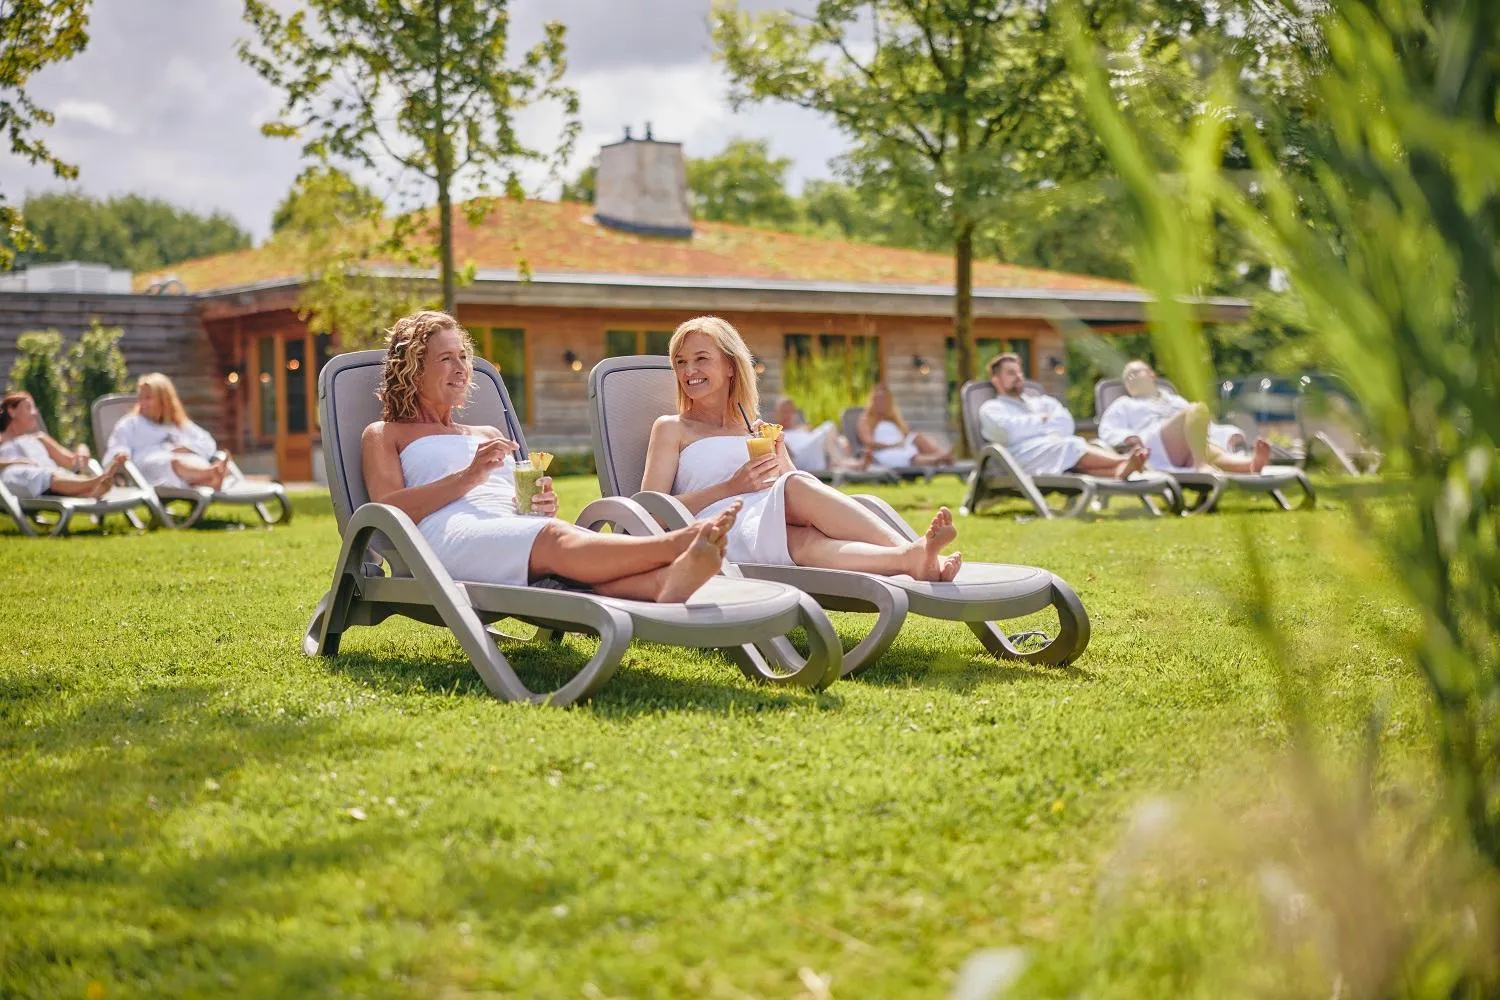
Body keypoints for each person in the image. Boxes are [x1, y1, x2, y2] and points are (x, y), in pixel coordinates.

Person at [362, 310, 735, 602]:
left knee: (557, 539)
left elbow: (519, 508)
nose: (462, 369)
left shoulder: (488, 436)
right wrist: (469, 476)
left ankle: (662, 584)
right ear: (412, 368)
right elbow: (387, 510)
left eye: (463, 356)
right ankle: (675, 544)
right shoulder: (386, 434)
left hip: (511, 530)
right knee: (555, 538)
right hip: (449, 537)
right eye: (446, 358)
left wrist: (539, 504)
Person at [641, 315, 961, 581]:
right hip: (719, 530)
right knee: (795, 487)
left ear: (730, 367)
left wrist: (781, 458)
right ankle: (915, 550)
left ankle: (909, 558)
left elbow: (791, 486)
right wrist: (731, 486)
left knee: (806, 541)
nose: (688, 371)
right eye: (680, 362)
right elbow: (651, 514)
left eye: (700, 359)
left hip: (764, 519)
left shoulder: (753, 427)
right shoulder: (671, 428)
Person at [978, 353, 1147, 479]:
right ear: (995, 379)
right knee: (1070, 445)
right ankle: (1124, 461)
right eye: (1010, 373)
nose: (1018, 377)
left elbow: (1067, 424)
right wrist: (1041, 420)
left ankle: (1122, 470)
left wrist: (1031, 427)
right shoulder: (992, 408)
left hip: (1051, 449)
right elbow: (1007, 433)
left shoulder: (1041, 402)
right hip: (1020, 459)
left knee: (1069, 453)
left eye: (1019, 372)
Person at [1097, 360, 1271, 474]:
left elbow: (1201, 424)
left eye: (1136, 372)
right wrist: (1128, 438)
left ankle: (1251, 465)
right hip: (1154, 445)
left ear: (1151, 374)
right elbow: (1107, 431)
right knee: (1197, 409)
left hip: (1187, 446)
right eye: (1127, 377)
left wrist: (1227, 434)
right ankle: (1201, 465)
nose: (1131, 378)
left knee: (1211, 449)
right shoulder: (1124, 404)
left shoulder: (1174, 400)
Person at [104, 373, 232, 489]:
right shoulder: (131, 423)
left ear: (164, 400)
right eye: (140, 397)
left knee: (189, 461)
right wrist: (120, 454)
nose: (142, 403)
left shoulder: (178, 424)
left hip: (183, 462)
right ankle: (210, 474)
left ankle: (207, 478)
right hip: (148, 465)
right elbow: (117, 446)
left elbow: (207, 442)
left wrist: (187, 448)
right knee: (174, 463)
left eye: (148, 398)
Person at [0, 391, 126, 499]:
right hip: (17, 481)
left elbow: (71, 461)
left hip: (51, 482)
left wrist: (83, 449)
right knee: (20, 473)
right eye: (29, 408)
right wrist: (17, 462)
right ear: (12, 411)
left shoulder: (39, 439)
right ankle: (95, 482)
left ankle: (92, 489)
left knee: (53, 474)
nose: (34, 413)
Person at [857, 383, 955, 468]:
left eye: (884, 399)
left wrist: (903, 442)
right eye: (878, 399)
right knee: (910, 455)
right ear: (872, 401)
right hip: (884, 451)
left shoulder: (893, 419)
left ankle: (941, 455)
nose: (881, 403)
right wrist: (892, 445)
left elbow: (905, 434)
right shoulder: (866, 420)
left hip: (901, 445)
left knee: (917, 437)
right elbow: (869, 443)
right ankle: (938, 459)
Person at [771, 397, 863, 474]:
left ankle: (846, 464)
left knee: (841, 440)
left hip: (815, 450)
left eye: (790, 411)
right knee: (829, 426)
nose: (787, 415)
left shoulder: (801, 429)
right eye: (784, 412)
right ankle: (843, 464)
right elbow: (784, 454)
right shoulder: (777, 433)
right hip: (801, 457)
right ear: (777, 414)